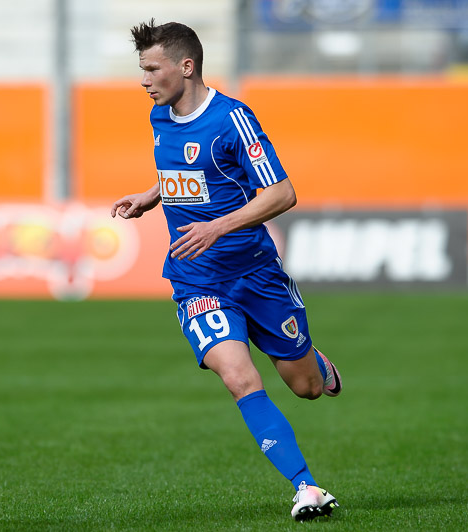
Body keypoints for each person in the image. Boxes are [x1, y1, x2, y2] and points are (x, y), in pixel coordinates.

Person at [110, 19, 343, 521]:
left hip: (256, 274)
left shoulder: (233, 119)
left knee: (305, 387)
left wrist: (218, 226)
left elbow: (282, 193)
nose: (144, 80)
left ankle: (316, 364)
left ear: (185, 66)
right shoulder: (160, 116)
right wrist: (151, 195)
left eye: (152, 69)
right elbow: (184, 170)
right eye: (141, 69)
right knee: (239, 377)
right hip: (196, 280)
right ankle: (306, 488)